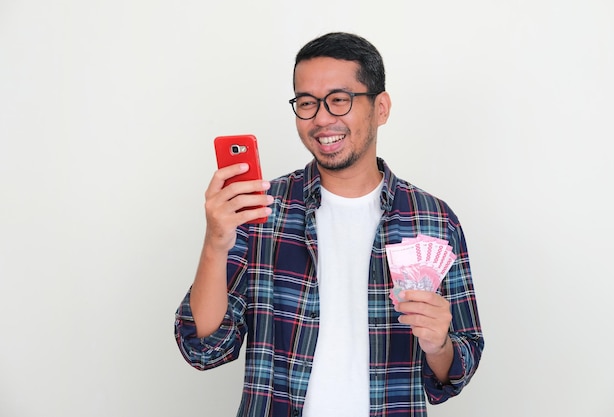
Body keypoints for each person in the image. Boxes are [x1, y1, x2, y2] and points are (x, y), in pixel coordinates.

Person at [175, 32, 484, 417]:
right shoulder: (261, 212)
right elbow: (204, 349)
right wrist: (215, 243)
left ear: (381, 108)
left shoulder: (434, 220)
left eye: (339, 100)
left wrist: (439, 345)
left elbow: (456, 370)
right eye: (306, 103)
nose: (321, 119)